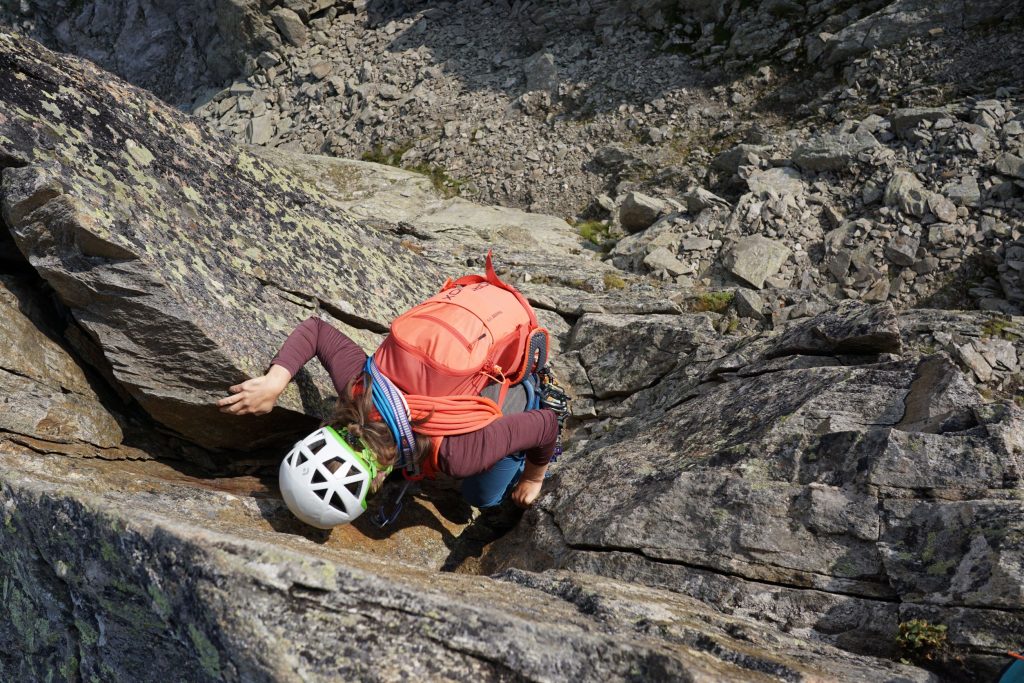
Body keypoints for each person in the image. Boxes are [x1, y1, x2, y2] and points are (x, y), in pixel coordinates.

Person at [216, 316, 560, 516]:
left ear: (376, 481)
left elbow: (546, 426)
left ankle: (533, 388)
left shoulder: (458, 453)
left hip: (510, 383)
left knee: (481, 496)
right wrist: (275, 382)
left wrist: (532, 479)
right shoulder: (359, 390)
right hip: (469, 339)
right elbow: (317, 331)